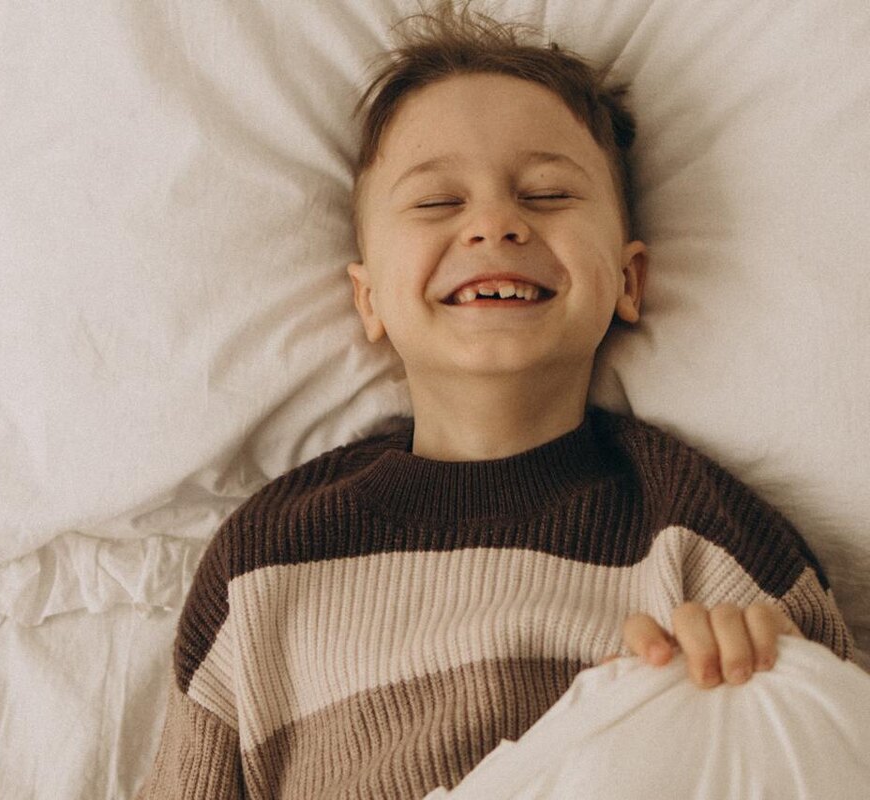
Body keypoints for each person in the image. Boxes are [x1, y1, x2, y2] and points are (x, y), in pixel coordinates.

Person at [136, 4, 856, 798]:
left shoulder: (705, 539)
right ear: (369, 299)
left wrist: (770, 667)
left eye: (546, 193)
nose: (494, 223)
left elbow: (833, 747)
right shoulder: (267, 560)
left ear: (628, 280)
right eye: (437, 202)